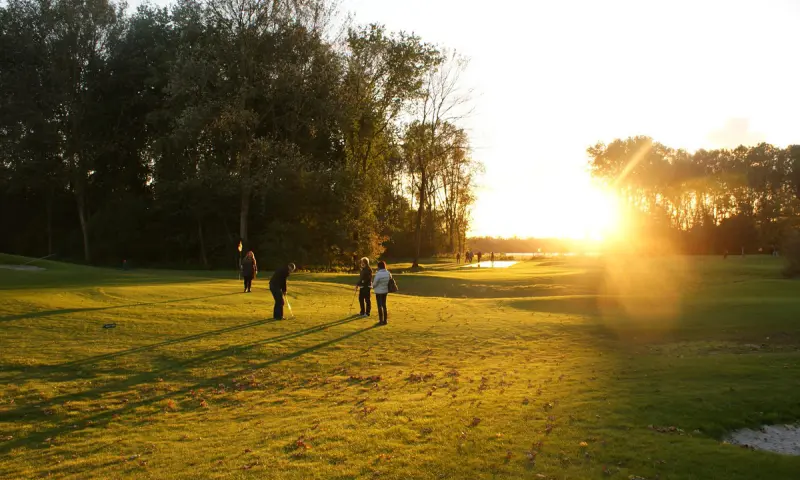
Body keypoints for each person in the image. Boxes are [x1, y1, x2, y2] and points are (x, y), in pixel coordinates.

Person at [372, 260, 392, 326]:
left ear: (379, 267)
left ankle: (381, 320)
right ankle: (385, 320)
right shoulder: (388, 273)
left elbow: (374, 283)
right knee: (384, 305)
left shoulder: (378, 274)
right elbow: (390, 279)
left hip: (378, 291)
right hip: (385, 291)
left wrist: (372, 286)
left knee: (379, 306)